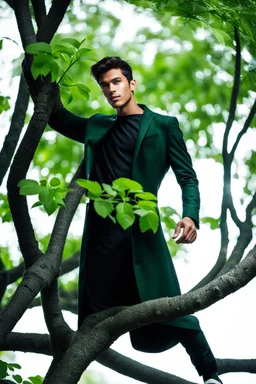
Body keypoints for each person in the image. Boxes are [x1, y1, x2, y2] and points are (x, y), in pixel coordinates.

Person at [48, 56, 223, 384]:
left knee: (173, 306)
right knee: (93, 324)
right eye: (104, 86)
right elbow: (57, 117)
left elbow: (188, 177)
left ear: (132, 84)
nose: (111, 89)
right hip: (101, 237)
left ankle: (210, 374)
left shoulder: (163, 125)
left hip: (142, 229)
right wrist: (42, 71)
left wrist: (190, 216)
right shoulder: (98, 125)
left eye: (116, 82)